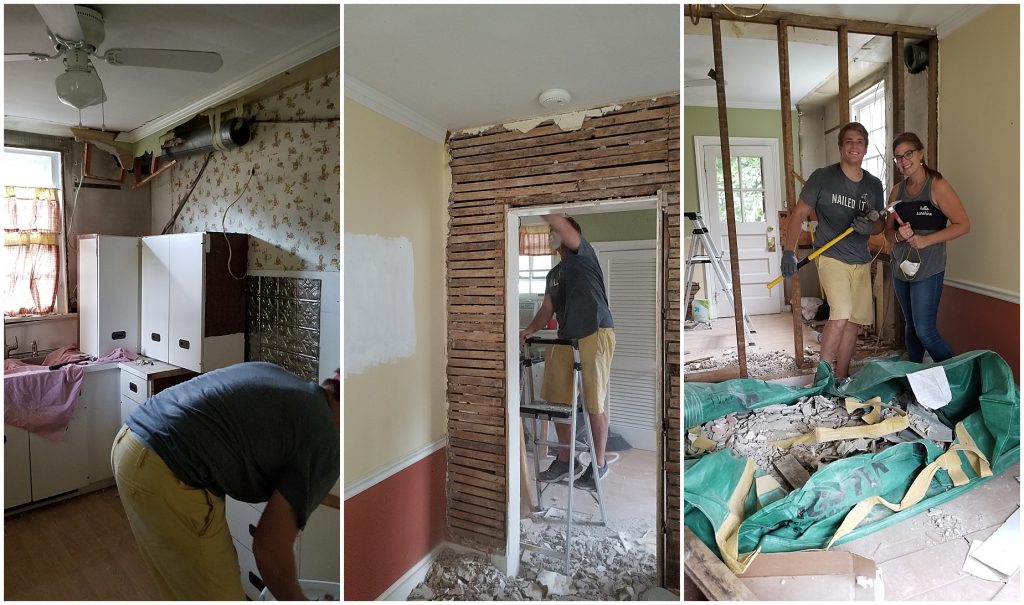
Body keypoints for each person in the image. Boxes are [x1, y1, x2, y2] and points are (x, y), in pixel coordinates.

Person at [111, 362, 340, 600]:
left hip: (132, 442)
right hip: (165, 468)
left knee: (188, 592)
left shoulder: (291, 385)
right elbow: (270, 548)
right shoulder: (325, 439)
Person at [781, 122, 885, 383]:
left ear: (865, 147)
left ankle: (840, 378)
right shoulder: (823, 177)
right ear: (840, 147)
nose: (854, 146)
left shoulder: (874, 185)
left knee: (853, 321)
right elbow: (799, 213)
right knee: (840, 313)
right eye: (848, 141)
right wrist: (788, 252)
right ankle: (822, 376)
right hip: (831, 256)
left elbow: (881, 223)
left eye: (859, 141)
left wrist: (869, 227)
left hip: (861, 261)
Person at [519, 214, 615, 490]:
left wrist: (541, 205)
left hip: (595, 331)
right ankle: (565, 460)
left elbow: (562, 226)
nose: (552, 234)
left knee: (594, 402)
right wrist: (529, 330)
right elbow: (547, 309)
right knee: (557, 400)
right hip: (567, 338)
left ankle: (599, 464)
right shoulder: (554, 274)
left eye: (554, 230)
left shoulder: (582, 253)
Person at [884, 132, 969, 363]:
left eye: (908, 154)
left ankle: (959, 376)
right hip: (901, 269)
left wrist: (925, 240)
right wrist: (899, 237)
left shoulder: (937, 185)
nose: (904, 161)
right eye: (898, 157)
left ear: (921, 153)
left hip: (929, 269)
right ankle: (914, 378)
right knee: (911, 328)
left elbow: (963, 225)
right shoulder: (896, 191)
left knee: (925, 331)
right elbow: (888, 233)